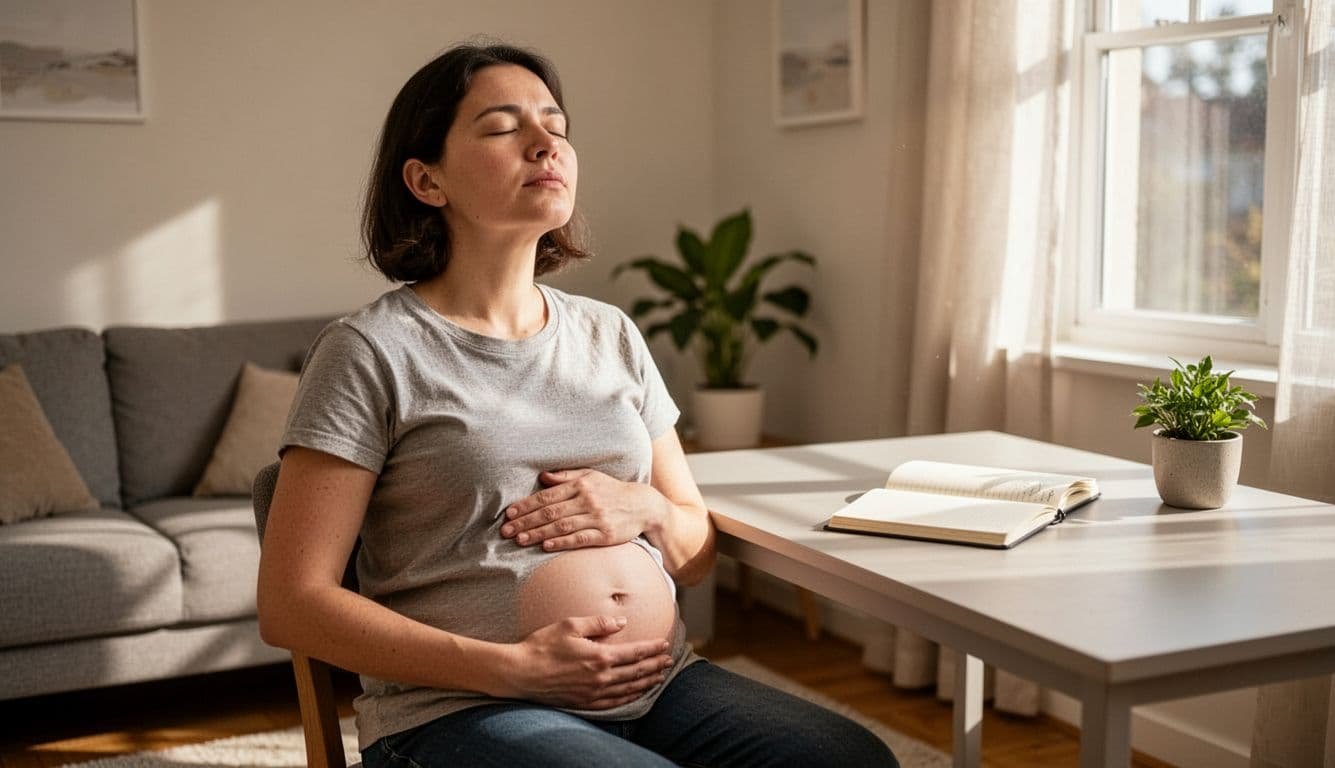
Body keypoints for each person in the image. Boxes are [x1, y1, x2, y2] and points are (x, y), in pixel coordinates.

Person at [256, 41, 898, 768]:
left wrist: (647, 510)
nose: (545, 145)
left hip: (660, 688)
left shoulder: (610, 334)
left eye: (556, 126)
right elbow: (291, 604)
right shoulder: (370, 351)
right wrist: (511, 668)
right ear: (426, 179)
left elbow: (693, 554)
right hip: (461, 710)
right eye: (503, 128)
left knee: (849, 758)